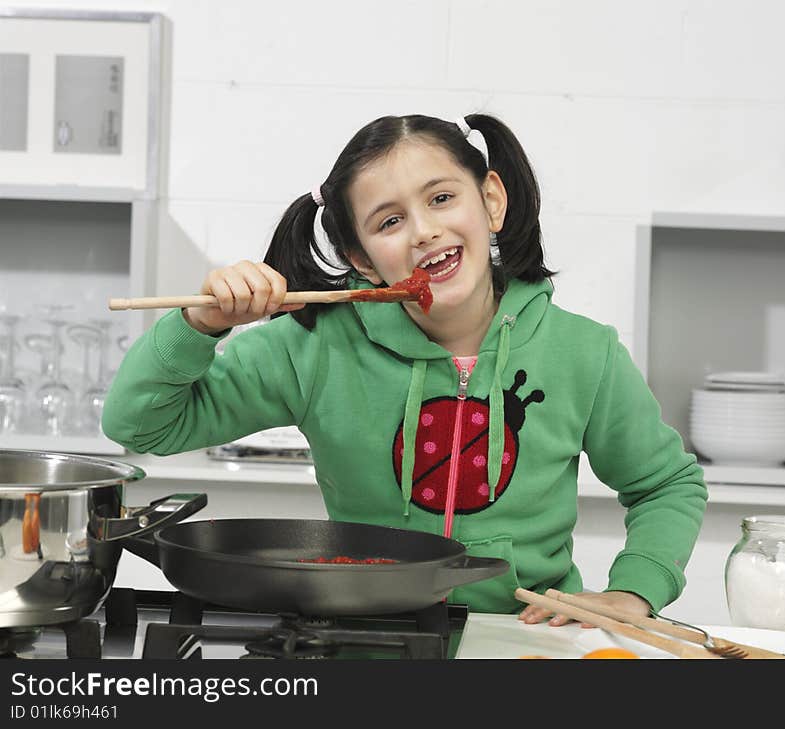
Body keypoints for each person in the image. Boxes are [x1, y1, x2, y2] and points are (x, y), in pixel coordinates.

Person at [102, 113, 707, 623]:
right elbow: (141, 428)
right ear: (361, 260)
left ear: (491, 201)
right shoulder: (311, 347)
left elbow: (665, 484)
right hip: (359, 636)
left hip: (522, 637)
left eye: (442, 198)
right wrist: (199, 325)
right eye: (389, 222)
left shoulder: (585, 353)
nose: (425, 231)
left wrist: (634, 592)